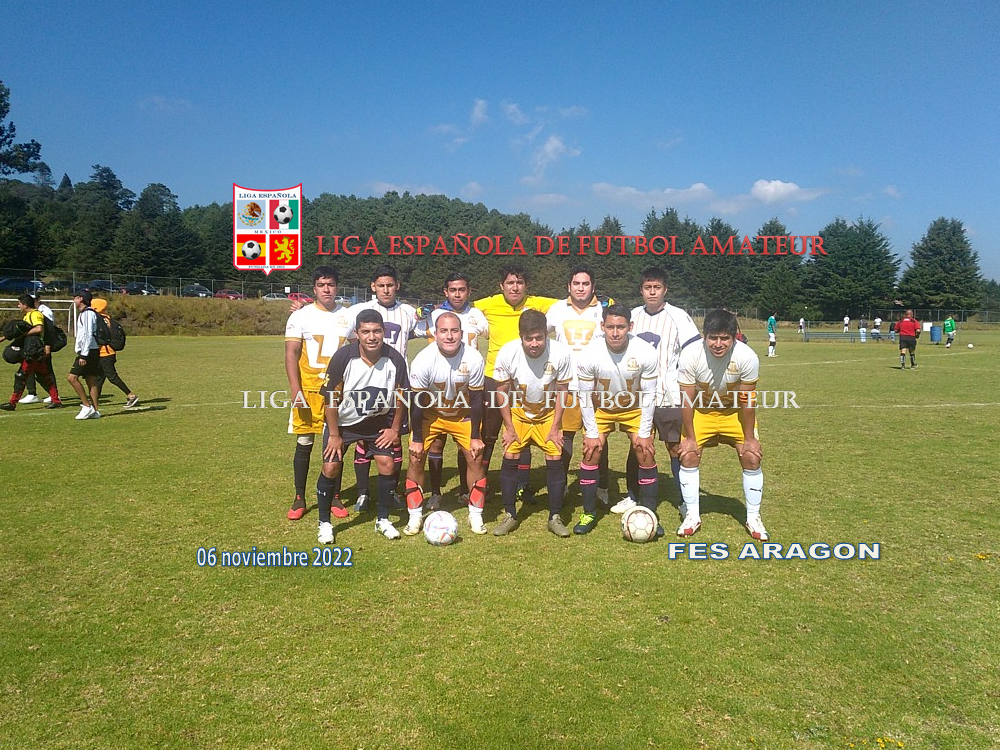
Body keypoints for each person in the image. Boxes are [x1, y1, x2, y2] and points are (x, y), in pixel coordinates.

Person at [616, 267, 702, 519]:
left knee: (674, 447)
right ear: (641, 290)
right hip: (637, 397)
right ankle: (633, 496)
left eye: (657, 288)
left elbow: (694, 352)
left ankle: (684, 500)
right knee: (638, 445)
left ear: (665, 290)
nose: (652, 292)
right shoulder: (632, 316)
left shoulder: (679, 317)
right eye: (647, 288)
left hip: (668, 395)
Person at [317, 309, 409, 542]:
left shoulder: (395, 358)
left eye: (376, 331)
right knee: (331, 466)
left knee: (387, 464)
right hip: (343, 423)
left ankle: (383, 520)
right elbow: (330, 398)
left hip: (377, 422)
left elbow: (402, 396)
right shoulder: (343, 357)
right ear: (357, 333)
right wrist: (334, 434)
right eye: (366, 331)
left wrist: (394, 429)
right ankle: (324, 522)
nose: (371, 337)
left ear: (384, 332)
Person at [676, 309, 767, 540]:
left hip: (733, 412)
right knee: (688, 455)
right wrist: (690, 438)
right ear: (704, 336)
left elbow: (747, 401)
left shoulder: (747, 356)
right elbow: (686, 400)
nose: (718, 344)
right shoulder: (690, 354)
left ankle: (753, 517)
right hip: (701, 411)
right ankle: (692, 515)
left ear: (734, 337)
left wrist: (750, 438)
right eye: (713, 338)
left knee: (751, 456)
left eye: (724, 338)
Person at [574, 304, 660, 535]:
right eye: (610, 327)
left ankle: (650, 513)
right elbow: (584, 396)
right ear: (602, 326)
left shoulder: (645, 351)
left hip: (634, 408)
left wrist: (644, 434)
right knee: (591, 452)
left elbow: (649, 395)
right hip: (602, 408)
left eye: (620, 327)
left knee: (645, 451)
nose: (615, 332)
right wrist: (592, 434)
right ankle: (589, 513)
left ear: (630, 326)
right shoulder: (589, 353)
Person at [404, 312, 488, 536]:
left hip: (462, 413)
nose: (449, 336)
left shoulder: (474, 358)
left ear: (461, 333)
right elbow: (416, 402)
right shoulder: (423, 359)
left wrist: (475, 436)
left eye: (454, 331)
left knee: (475, 455)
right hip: (431, 414)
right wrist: (418, 439)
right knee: (415, 456)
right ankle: (415, 515)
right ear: (435, 333)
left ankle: (475, 513)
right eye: (443, 331)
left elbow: (477, 400)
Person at [473, 265, 559, 481]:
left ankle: (522, 483)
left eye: (520, 283)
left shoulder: (537, 303)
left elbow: (568, 304)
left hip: (525, 378)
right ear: (501, 286)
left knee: (524, 430)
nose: (515, 287)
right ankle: (480, 481)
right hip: (495, 378)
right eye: (510, 283)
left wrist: (604, 302)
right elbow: (463, 306)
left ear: (526, 286)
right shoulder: (488, 304)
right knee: (489, 433)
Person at [492, 310, 573, 536]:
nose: (534, 344)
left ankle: (555, 516)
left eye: (539, 337)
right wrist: (509, 427)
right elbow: (501, 391)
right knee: (510, 454)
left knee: (555, 456)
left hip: (547, 415)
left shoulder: (561, 353)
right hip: (519, 413)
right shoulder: (508, 352)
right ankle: (510, 514)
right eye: (529, 339)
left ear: (546, 334)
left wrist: (556, 426)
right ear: (521, 336)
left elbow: (562, 390)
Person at [284, 266, 355, 521]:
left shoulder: (348, 316)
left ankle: (334, 495)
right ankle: (299, 497)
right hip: (309, 390)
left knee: (336, 443)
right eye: (322, 285)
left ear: (337, 287)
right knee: (305, 442)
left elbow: (358, 348)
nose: (327, 289)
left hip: (337, 393)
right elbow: (291, 354)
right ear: (314, 288)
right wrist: (296, 390)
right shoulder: (300, 316)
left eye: (331, 284)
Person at [415, 273, 489, 511]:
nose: (458, 294)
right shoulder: (435, 315)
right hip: (437, 385)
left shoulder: (477, 315)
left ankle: (465, 491)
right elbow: (413, 329)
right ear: (445, 292)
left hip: (466, 381)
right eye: (453, 290)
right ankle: (436, 493)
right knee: (436, 445)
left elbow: (492, 334)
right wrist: (419, 313)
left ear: (469, 291)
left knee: (465, 447)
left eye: (462, 289)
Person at [346, 265, 418, 512]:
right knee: (363, 439)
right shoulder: (360, 310)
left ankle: (391, 491)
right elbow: (336, 325)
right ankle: (363, 493)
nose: (386, 290)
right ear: (373, 287)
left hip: (396, 386)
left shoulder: (408, 312)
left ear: (397, 286)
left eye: (390, 285)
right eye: (381, 285)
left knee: (394, 439)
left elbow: (429, 327)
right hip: (367, 385)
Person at [545, 265, 612, 504]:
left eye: (585, 284)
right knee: (565, 437)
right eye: (576, 284)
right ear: (569, 287)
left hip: (597, 387)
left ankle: (602, 487)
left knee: (598, 438)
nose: (580, 288)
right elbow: (538, 336)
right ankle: (561, 485)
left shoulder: (603, 309)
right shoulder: (557, 309)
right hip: (567, 386)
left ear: (593, 287)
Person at [0, 294, 63, 411]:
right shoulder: (27, 316)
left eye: (19, 304)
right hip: (32, 350)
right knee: (44, 376)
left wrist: (24, 334)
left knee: (21, 375)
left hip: (34, 351)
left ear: (25, 305)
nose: (18, 306)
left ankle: (12, 403)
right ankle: (56, 400)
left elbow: (39, 328)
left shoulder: (35, 314)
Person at [90, 298, 139, 408]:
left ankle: (131, 395)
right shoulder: (106, 318)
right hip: (105, 353)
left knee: (112, 377)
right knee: (99, 379)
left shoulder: (100, 320)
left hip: (105, 353)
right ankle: (94, 401)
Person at [66, 290, 103, 420]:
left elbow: (87, 334)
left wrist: (83, 355)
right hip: (91, 350)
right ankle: (95, 411)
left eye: (75, 298)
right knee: (91, 380)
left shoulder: (87, 314)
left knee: (72, 378)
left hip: (88, 351)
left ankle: (86, 406)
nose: (74, 301)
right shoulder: (85, 313)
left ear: (81, 299)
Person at [19, 292, 61, 404]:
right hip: (32, 346)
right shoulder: (30, 313)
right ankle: (32, 393)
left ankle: (54, 395)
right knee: (29, 368)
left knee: (47, 370)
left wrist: (48, 345)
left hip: (41, 345)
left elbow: (49, 330)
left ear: (38, 300)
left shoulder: (45, 311)